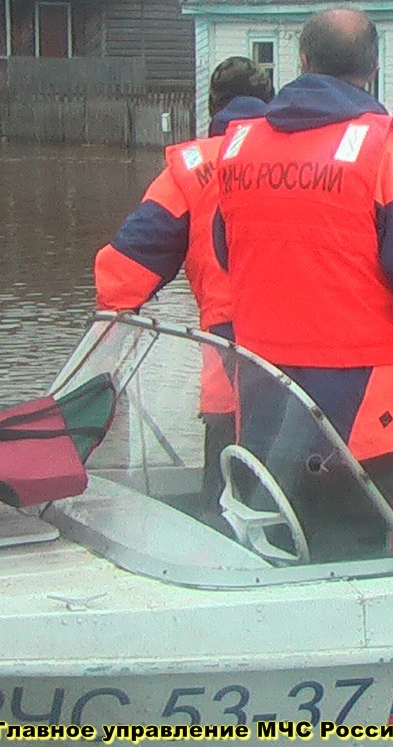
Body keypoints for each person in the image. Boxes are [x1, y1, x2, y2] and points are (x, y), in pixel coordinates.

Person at [211, 7, 393, 557]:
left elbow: (230, 253)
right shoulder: (391, 154)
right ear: (372, 67)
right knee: (356, 549)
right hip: (361, 405)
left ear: (302, 60)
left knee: (268, 534)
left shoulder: (241, 149)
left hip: (266, 387)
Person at [93, 56, 273, 509]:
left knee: (226, 494)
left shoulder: (191, 171)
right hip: (320, 365)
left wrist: (111, 329)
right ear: (270, 104)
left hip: (229, 357)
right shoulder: (310, 162)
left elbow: (125, 271)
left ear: (213, 109)